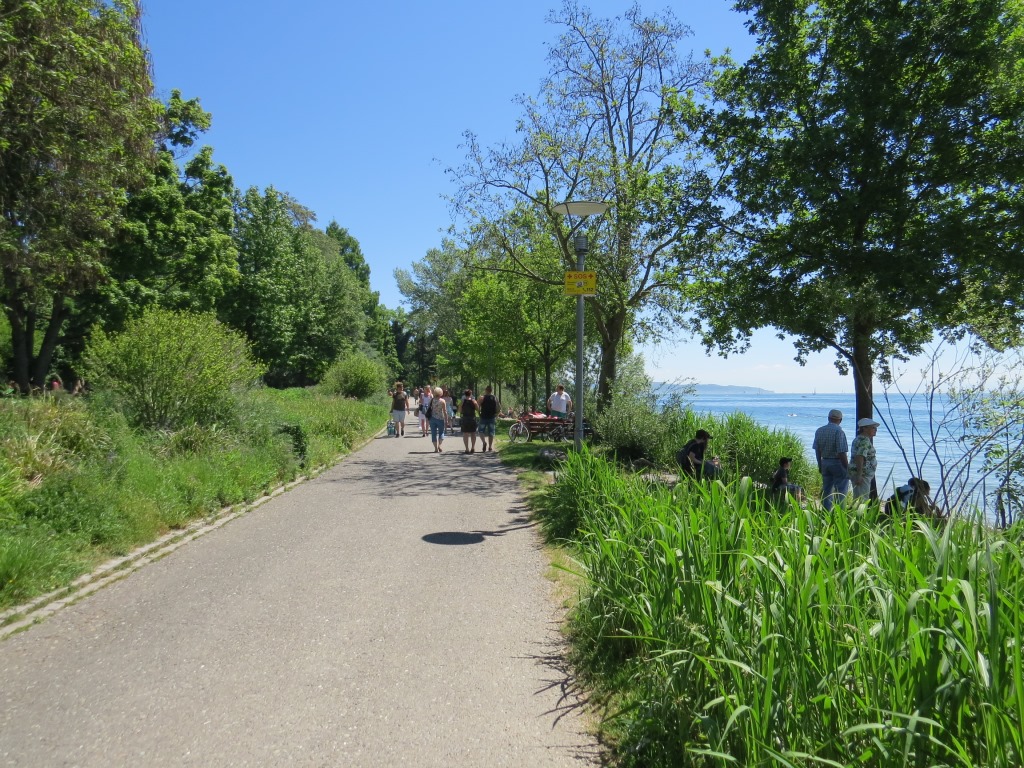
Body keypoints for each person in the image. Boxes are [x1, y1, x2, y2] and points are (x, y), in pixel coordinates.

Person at [812, 409, 849, 510]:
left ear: (828, 418)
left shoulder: (819, 430)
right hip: (837, 463)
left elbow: (817, 450)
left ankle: (826, 512)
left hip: (825, 462)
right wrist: (847, 467)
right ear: (840, 420)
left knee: (827, 489)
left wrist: (820, 464)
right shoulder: (839, 432)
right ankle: (840, 513)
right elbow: (841, 452)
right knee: (841, 490)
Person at [849, 417, 880, 500]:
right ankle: (859, 513)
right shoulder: (864, 441)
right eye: (873, 427)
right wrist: (859, 475)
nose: (875, 429)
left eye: (875, 428)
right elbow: (859, 457)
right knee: (862, 499)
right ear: (864, 428)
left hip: (860, 473)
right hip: (862, 475)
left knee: (858, 497)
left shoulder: (860, 438)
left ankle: (857, 512)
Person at [428, 386, 451, 452]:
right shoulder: (442, 401)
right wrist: (446, 420)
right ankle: (439, 445)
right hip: (440, 418)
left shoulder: (431, 400)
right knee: (441, 432)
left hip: (432, 418)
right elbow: (445, 411)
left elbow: (429, 409)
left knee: (433, 433)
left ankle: (435, 448)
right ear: (441, 393)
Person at [477, 385, 499, 452]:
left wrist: (479, 413)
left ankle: (484, 442)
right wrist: (496, 414)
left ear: (486, 390)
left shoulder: (482, 397)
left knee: (480, 431)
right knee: (491, 432)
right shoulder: (494, 397)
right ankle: (490, 447)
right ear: (491, 390)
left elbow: (478, 406)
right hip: (492, 417)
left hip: (483, 416)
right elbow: (499, 407)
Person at [460, 389, 479, 453]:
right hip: (472, 418)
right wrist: (475, 404)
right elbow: (478, 409)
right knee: (473, 433)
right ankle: (473, 447)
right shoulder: (474, 401)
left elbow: (459, 410)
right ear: (471, 394)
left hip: (465, 418)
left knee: (465, 434)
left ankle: (467, 448)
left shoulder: (463, 401)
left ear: (465, 394)